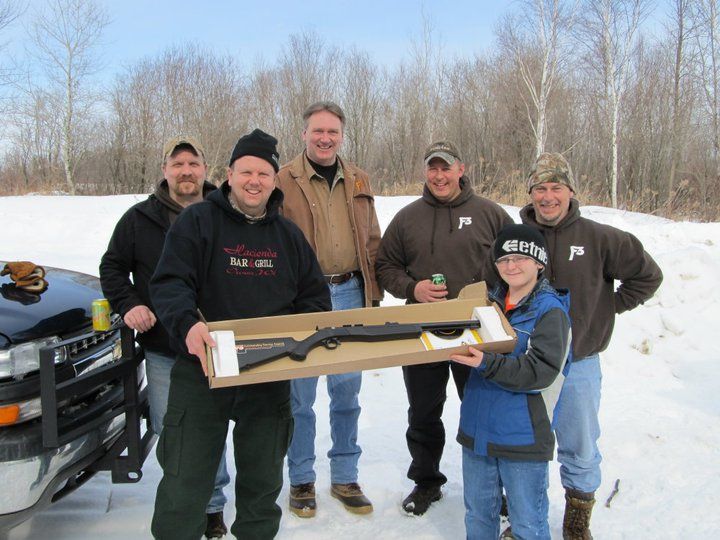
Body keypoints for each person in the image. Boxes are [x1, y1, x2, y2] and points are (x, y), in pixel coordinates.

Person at [148, 129, 331, 540]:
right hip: (203, 367)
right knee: (184, 480)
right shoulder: (198, 222)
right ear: (229, 175)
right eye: (246, 171)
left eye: (263, 173)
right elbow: (170, 282)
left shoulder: (288, 236)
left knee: (262, 484)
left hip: (267, 373)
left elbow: (315, 299)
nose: (254, 181)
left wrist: (302, 339)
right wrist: (187, 324)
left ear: (273, 180)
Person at [520, 153, 663, 539]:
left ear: (570, 191)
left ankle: (577, 519)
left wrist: (607, 308)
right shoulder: (516, 237)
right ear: (530, 193)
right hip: (528, 364)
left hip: (578, 363)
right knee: (525, 446)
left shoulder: (601, 238)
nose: (547, 197)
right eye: (539, 188)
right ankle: (526, 518)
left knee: (580, 446)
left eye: (556, 187)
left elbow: (647, 276)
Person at [99, 136, 231, 538]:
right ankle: (183, 499)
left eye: (193, 163)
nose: (186, 171)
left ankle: (212, 505)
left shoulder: (224, 213)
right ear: (165, 170)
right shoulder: (140, 219)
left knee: (211, 426)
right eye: (178, 164)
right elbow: (112, 267)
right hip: (164, 346)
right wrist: (130, 304)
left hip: (215, 344)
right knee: (170, 427)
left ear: (205, 169)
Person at [375, 140, 513, 515]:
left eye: (446, 168)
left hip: (477, 330)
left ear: (461, 170)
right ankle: (426, 482)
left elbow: (517, 262)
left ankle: (493, 486)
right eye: (432, 168)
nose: (439, 176)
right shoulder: (408, 218)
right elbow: (385, 266)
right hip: (422, 328)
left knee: (483, 409)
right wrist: (412, 288)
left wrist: (499, 303)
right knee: (423, 412)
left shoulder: (490, 214)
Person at [275, 101, 382, 518]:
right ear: (304, 134)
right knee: (300, 398)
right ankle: (302, 479)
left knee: (346, 391)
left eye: (332, 132)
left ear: (341, 135)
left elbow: (372, 240)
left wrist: (374, 293)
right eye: (318, 131)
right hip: (304, 298)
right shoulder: (282, 180)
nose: (325, 139)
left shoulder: (358, 179)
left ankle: (345, 476)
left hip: (351, 291)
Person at [450, 224, 571, 540]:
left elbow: (540, 372)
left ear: (539, 262)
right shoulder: (484, 305)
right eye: (504, 259)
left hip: (522, 437)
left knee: (528, 524)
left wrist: (486, 362)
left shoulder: (550, 311)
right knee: (478, 516)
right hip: (477, 432)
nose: (511, 266)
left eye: (520, 258)